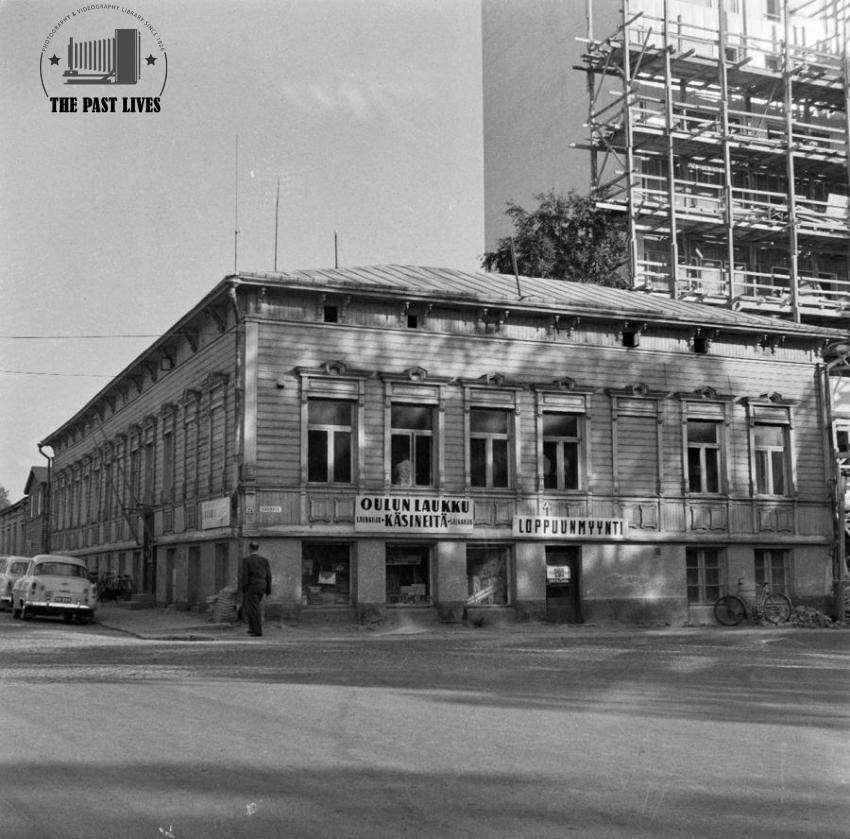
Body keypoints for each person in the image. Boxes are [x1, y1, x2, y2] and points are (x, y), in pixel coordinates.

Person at [239, 541, 272, 637]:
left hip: (252, 586)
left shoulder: (246, 560)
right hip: (262, 585)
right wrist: (268, 589)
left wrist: (243, 587)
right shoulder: (264, 560)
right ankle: (252, 628)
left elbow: (244, 576)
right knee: (253, 607)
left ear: (250, 549)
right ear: (258, 548)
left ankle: (257, 631)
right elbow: (269, 576)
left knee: (254, 608)